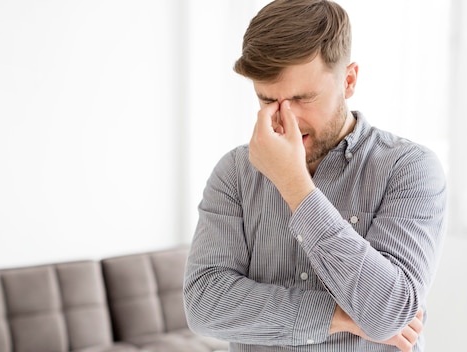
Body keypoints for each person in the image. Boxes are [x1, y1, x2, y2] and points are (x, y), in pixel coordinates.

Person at [183, 0, 446, 351]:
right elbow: (204, 304)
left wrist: (296, 187)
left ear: (349, 80)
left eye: (302, 98)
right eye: (267, 100)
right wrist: (338, 315)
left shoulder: (409, 168)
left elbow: (387, 314)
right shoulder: (235, 172)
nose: (283, 120)